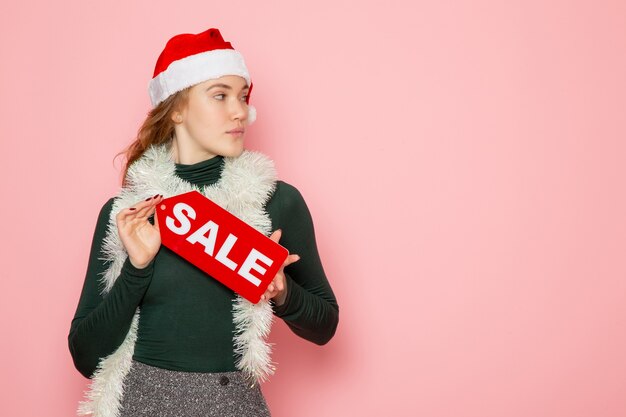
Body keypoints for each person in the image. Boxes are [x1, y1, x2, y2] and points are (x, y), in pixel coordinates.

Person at [68, 27, 339, 417]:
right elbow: (84, 354)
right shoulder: (130, 214)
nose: (240, 111)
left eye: (243, 97)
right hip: (140, 403)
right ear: (176, 108)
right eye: (220, 96)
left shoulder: (276, 203)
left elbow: (325, 325)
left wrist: (282, 291)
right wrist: (136, 270)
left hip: (233, 404)